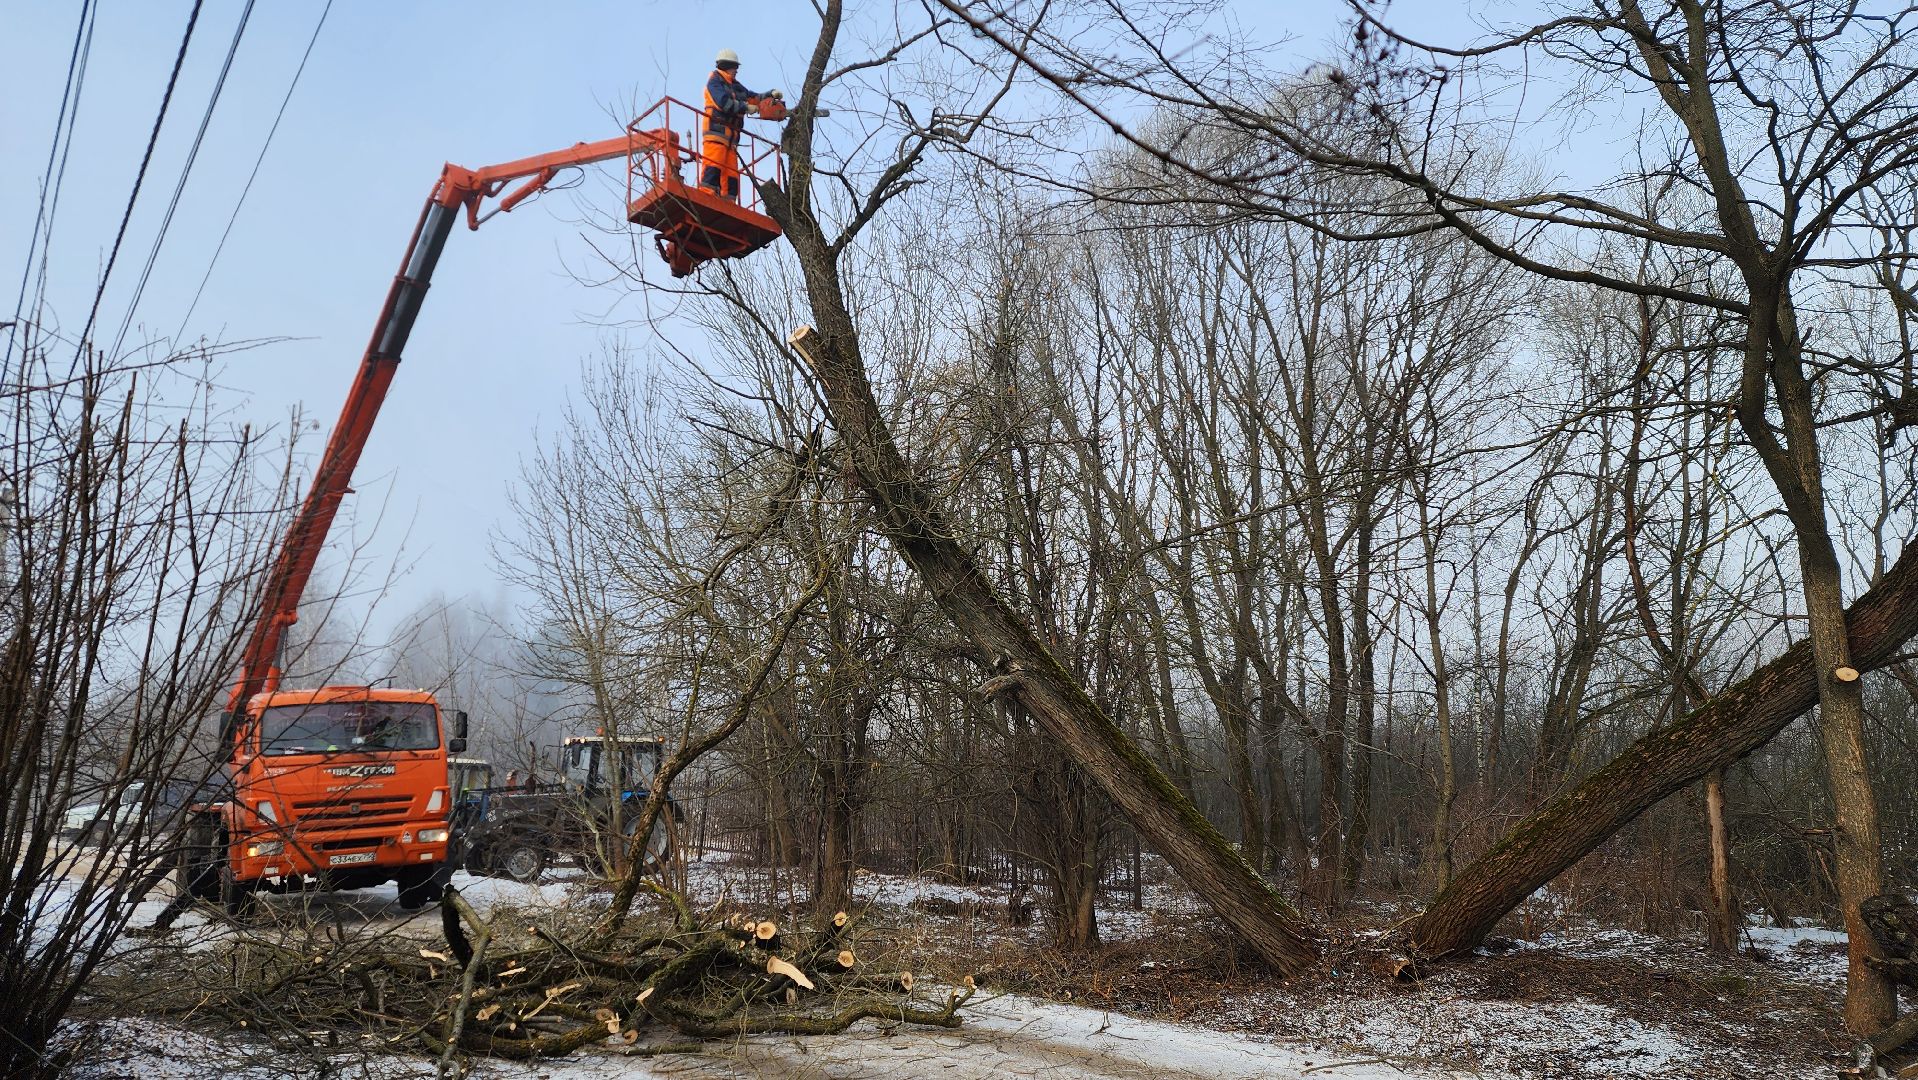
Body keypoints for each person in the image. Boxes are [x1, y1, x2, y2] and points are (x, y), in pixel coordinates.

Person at [700, 49, 779, 201]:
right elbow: (723, 102)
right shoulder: (714, 81)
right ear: (726, 65)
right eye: (734, 67)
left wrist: (770, 95)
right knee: (713, 166)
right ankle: (706, 196)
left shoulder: (736, 86)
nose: (736, 70)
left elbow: (753, 97)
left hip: (731, 140)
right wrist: (745, 107)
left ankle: (728, 202)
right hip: (716, 134)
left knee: (731, 174)